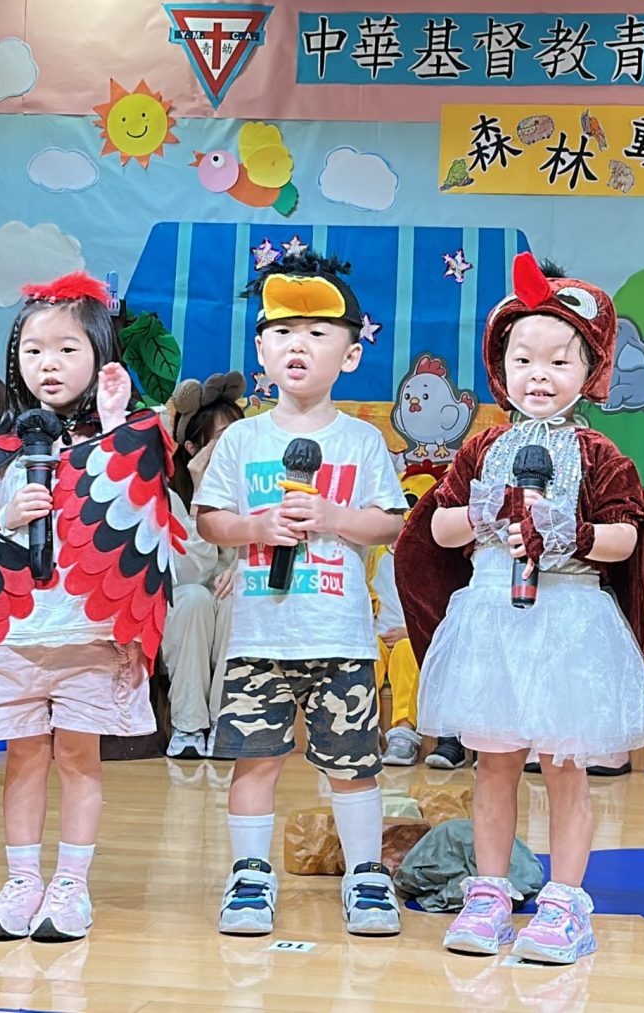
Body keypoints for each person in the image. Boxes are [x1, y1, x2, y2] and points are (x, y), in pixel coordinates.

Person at [397, 253, 644, 964]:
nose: (538, 375)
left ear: (590, 369)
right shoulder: (482, 446)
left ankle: (565, 904)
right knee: (495, 761)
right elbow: (438, 527)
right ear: (500, 367)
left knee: (564, 765)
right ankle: (488, 895)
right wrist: (482, 512)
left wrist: (571, 532)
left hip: (567, 618)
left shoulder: (599, 452)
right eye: (523, 360)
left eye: (558, 361)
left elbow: (627, 536)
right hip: (495, 615)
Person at [0, 271, 182, 942]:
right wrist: (6, 514)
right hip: (13, 636)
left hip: (88, 635)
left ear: (99, 356)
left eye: (68, 349)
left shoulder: (121, 437)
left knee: (77, 757)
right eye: (34, 350)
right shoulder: (2, 451)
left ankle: (70, 884)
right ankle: (21, 882)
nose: (49, 363)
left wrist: (117, 424)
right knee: (22, 758)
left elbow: (145, 499)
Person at [194, 252, 409, 938]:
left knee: (353, 765)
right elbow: (210, 518)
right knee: (255, 758)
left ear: (350, 355)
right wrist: (257, 527)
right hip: (259, 639)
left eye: (318, 334)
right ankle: (250, 875)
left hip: (340, 637)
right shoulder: (243, 439)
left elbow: (391, 522)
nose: (299, 345)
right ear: (261, 350)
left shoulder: (363, 440)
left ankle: (366, 874)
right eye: (283, 332)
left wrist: (333, 516)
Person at [164, 371, 247, 760]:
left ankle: (225, 723)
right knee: (194, 598)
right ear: (192, 447)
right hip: (184, 610)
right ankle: (188, 725)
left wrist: (243, 566)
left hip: (229, 609)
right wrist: (201, 495)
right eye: (222, 441)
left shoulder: (253, 491)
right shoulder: (168, 497)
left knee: (235, 597)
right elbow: (187, 575)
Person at [378, 464, 441, 767]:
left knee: (407, 651)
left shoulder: (431, 555)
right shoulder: (374, 551)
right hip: (376, 633)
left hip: (411, 634)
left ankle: (403, 732)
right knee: (365, 654)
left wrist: (411, 631)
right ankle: (363, 728)